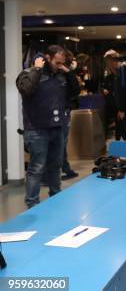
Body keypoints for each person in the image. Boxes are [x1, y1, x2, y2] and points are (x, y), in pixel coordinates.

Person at [17, 45, 79, 208]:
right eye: (57, 62)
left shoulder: (61, 76)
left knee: (55, 166)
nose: (59, 66)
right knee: (37, 168)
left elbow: (75, 91)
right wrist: (37, 70)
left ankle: (56, 197)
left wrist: (67, 71)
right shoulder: (28, 73)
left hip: (57, 127)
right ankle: (32, 203)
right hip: (36, 129)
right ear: (47, 58)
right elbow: (26, 90)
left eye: (62, 63)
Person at [103, 50, 126, 140]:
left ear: (111, 60)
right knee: (124, 132)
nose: (108, 64)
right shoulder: (121, 69)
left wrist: (122, 109)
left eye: (108, 61)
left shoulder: (125, 68)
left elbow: (125, 89)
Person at [61, 50, 80, 180]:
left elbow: (75, 89)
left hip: (63, 111)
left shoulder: (65, 74)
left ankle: (65, 169)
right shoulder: (56, 75)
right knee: (58, 143)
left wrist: (68, 72)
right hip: (56, 113)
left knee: (61, 143)